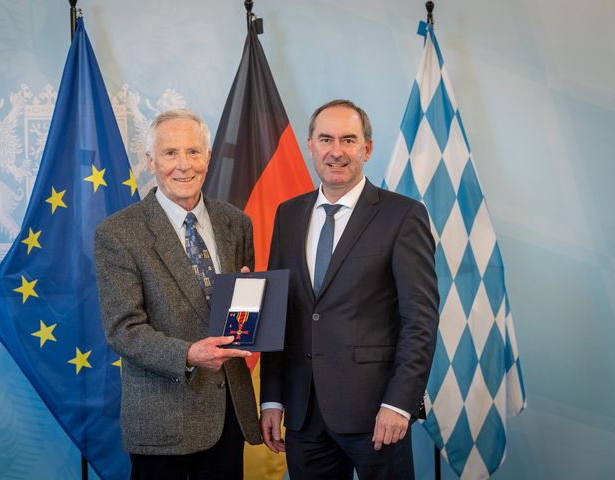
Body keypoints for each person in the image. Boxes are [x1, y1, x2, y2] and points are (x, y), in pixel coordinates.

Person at [260, 99, 439, 479]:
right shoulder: (287, 214)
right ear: (310, 146)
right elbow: (281, 314)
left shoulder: (402, 215)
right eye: (325, 139)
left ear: (367, 149)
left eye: (348, 140)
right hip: (304, 414)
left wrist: (399, 403)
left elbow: (420, 320)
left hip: (377, 413)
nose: (336, 151)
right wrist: (272, 397)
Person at [94, 109, 261, 480]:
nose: (183, 165)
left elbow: (240, 319)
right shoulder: (119, 233)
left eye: (193, 152)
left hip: (228, 415)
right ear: (151, 161)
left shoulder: (237, 223)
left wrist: (252, 304)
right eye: (170, 153)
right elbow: (124, 328)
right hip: (162, 422)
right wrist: (187, 354)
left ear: (208, 157)